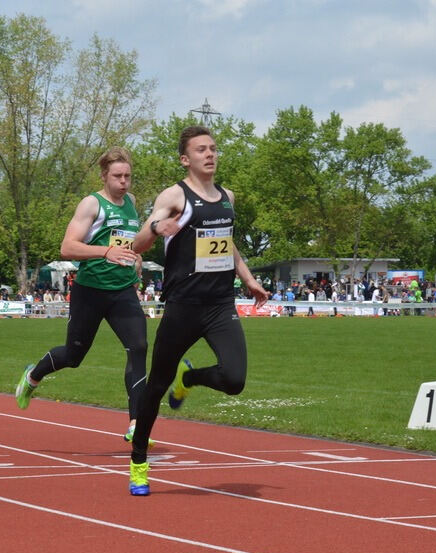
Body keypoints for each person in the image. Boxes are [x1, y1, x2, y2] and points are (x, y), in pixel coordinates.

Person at [126, 126, 267, 496]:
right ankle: (139, 461)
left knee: (235, 380)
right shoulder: (175, 196)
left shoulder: (227, 197)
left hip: (220, 305)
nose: (210, 154)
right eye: (201, 149)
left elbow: (227, 243)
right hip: (183, 307)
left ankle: (189, 380)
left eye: (214, 148)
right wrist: (158, 226)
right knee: (156, 386)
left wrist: (248, 278)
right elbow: (139, 243)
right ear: (185, 159)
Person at [14, 147, 150, 443]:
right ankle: (32, 376)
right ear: (104, 176)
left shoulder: (132, 203)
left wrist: (135, 257)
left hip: (123, 291)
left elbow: (129, 243)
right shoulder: (92, 204)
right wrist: (105, 251)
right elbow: (67, 247)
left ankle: (137, 423)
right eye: (117, 176)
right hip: (90, 292)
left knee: (139, 346)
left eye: (128, 176)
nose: (124, 182)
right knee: (74, 356)